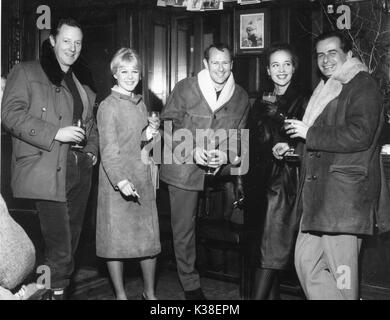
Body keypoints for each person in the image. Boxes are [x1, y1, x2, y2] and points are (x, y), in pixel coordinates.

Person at [278, 31, 384, 299]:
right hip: (319, 200)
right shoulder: (328, 87)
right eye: (320, 55)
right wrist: (294, 150)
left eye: (332, 53)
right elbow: (322, 142)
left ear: (348, 54)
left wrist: (309, 134)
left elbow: (361, 134)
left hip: (344, 201)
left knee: (343, 277)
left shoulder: (362, 84)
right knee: (305, 263)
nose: (325, 60)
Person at [1, 18, 98, 300]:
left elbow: (91, 123)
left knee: (69, 250)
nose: (72, 47)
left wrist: (91, 153)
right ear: (53, 40)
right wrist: (57, 132)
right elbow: (10, 115)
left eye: (78, 42)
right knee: (61, 251)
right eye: (66, 40)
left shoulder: (80, 83)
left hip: (78, 170)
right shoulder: (27, 71)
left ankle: (55, 294)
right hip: (46, 170)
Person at [160, 43, 250, 300]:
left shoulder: (241, 95)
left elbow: (240, 135)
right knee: (184, 229)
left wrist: (227, 155)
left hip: (218, 172)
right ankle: (191, 285)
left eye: (225, 63)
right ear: (205, 63)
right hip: (183, 169)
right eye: (215, 63)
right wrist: (190, 151)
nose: (220, 68)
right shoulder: (186, 87)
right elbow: (167, 124)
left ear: (232, 64)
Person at [96, 48, 161, 300]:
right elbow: (109, 151)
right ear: (115, 74)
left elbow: (135, 139)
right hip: (117, 179)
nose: (130, 76)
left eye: (135, 71)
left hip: (141, 176)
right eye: (124, 71)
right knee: (116, 243)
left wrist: (148, 134)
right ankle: (121, 296)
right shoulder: (107, 106)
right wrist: (120, 181)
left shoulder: (140, 103)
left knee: (148, 242)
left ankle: (150, 294)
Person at [245, 43, 308, 300]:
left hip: (284, 182)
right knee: (263, 250)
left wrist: (288, 144)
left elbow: (307, 138)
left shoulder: (305, 98)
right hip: (260, 181)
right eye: (275, 65)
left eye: (286, 64)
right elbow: (250, 139)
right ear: (268, 71)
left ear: (294, 68)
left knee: (270, 251)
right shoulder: (261, 100)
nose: (281, 70)